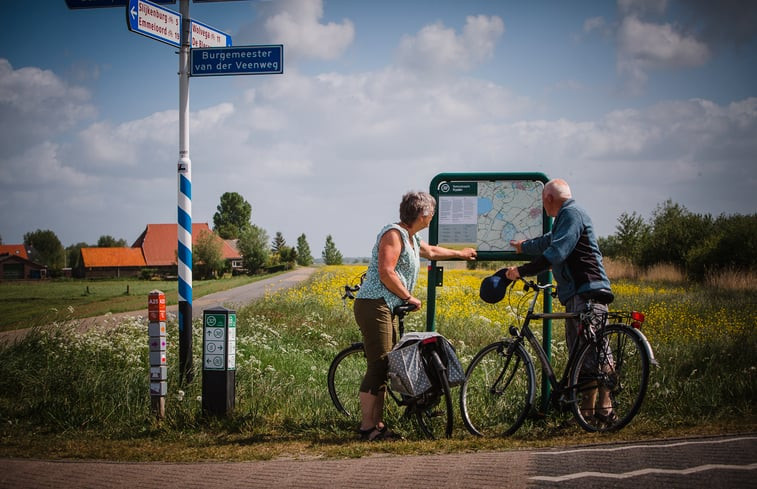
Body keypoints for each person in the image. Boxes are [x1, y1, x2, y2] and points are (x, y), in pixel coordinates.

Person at [354, 191, 477, 441]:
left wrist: (461, 254)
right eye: (431, 213)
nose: (433, 217)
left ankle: (378, 424)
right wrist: (408, 297)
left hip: (386, 305)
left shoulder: (411, 236)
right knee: (378, 365)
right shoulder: (393, 234)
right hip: (374, 303)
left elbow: (430, 251)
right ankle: (367, 428)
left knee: (386, 365)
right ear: (423, 214)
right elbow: (386, 271)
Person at [503, 178, 616, 423]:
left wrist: (522, 271)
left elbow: (557, 252)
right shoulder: (567, 217)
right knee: (584, 353)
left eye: (543, 203)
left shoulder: (572, 213)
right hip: (578, 292)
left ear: (549, 199)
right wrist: (524, 246)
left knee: (593, 353)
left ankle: (599, 411)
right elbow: (549, 241)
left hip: (586, 291)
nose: (544, 208)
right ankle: (588, 412)